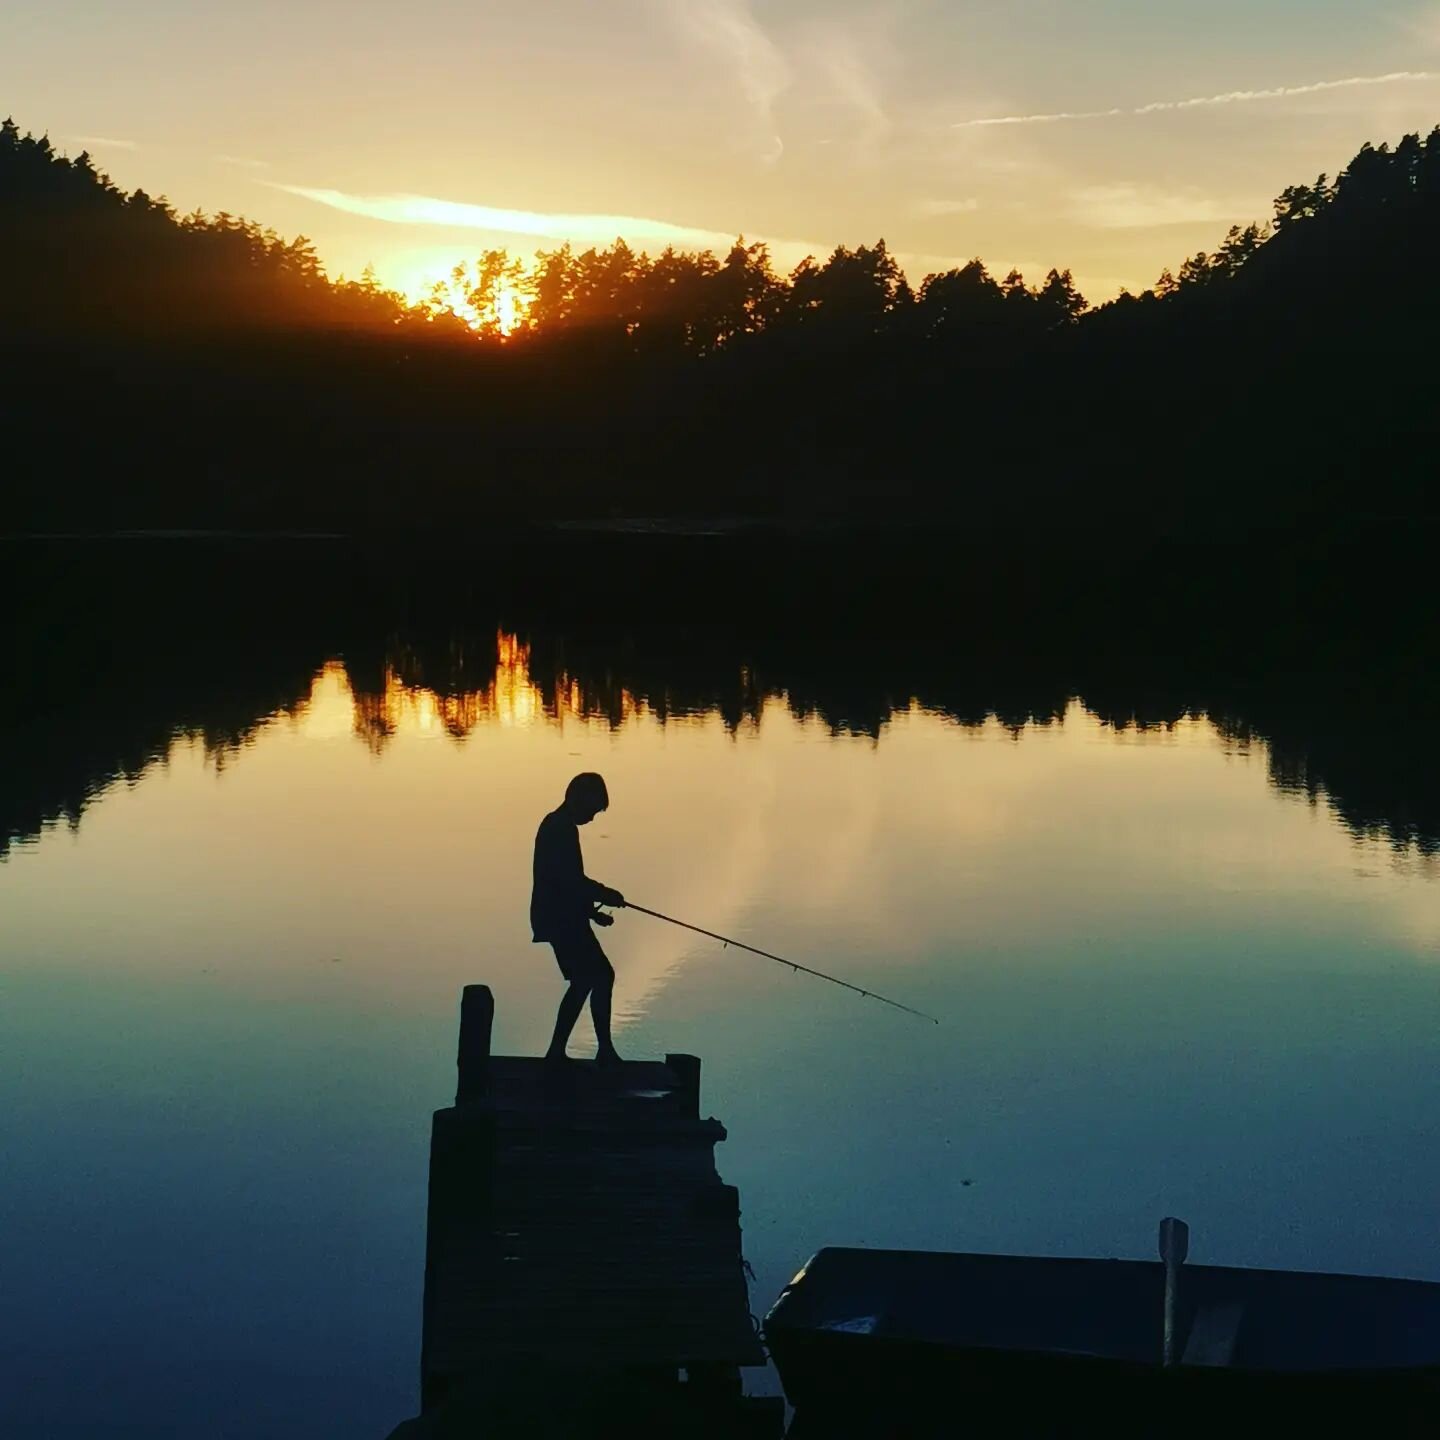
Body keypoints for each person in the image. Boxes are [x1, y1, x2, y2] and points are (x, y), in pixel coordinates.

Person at [531, 772, 626, 1064]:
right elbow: (568, 880)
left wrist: (591, 912)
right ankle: (599, 1051)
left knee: (587, 980)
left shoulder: (559, 825)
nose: (593, 817)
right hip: (559, 919)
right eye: (593, 809)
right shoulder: (559, 828)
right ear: (579, 799)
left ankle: (561, 1052)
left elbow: (567, 882)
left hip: (563, 916)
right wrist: (604, 893)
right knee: (599, 976)